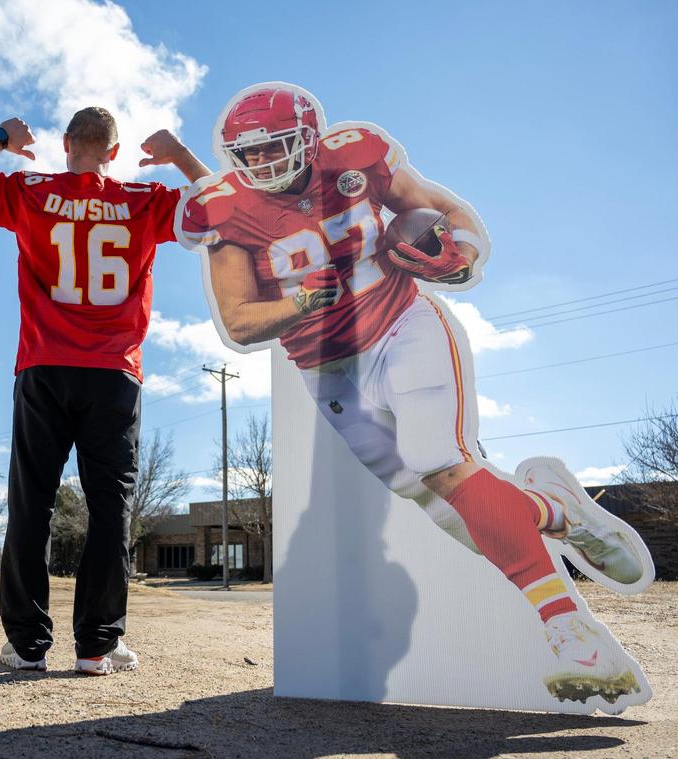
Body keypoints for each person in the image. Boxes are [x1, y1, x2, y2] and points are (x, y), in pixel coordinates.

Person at [178, 82, 650, 705]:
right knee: (449, 513)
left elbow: (447, 210)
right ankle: (554, 510)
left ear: (311, 138)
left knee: (440, 459)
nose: (264, 163)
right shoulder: (224, 208)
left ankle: (571, 633)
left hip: (402, 322)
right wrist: (303, 300)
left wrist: (462, 255)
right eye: (251, 154)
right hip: (325, 365)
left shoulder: (357, 158)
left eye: (276, 148)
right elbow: (239, 320)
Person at [0, 108, 209, 674]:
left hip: (44, 366)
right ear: (114, 152)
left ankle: (27, 647)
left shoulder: (31, 192)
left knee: (30, 502)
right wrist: (180, 155)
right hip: (114, 372)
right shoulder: (143, 199)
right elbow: (225, 211)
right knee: (111, 506)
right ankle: (98, 646)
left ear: (65, 144)